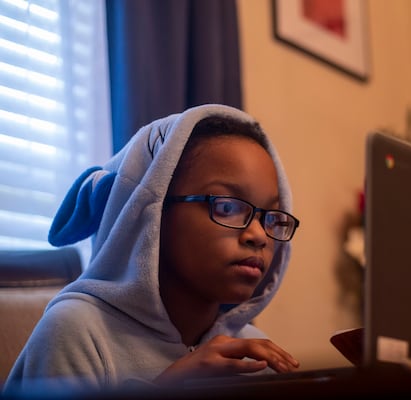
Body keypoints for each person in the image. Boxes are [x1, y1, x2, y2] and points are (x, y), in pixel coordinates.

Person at [3, 104, 301, 396]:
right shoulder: (76, 332)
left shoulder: (254, 352)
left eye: (272, 217)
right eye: (225, 207)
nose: (259, 235)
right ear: (151, 212)